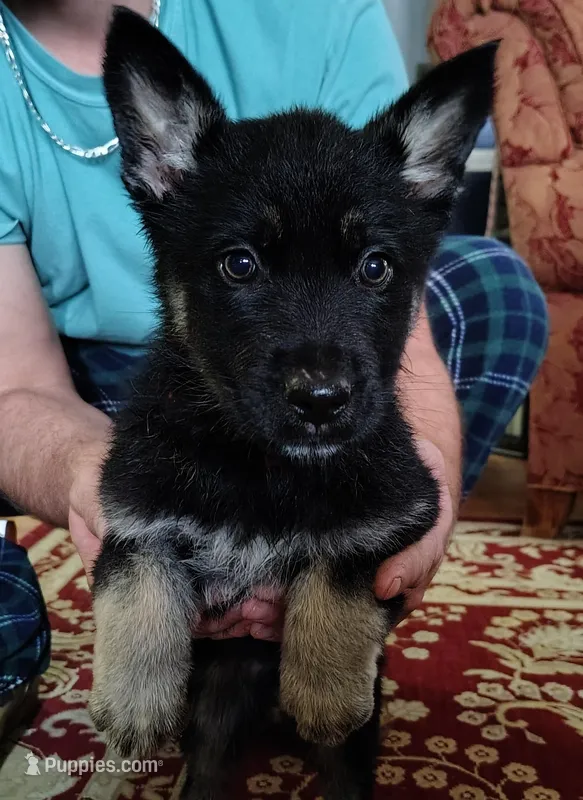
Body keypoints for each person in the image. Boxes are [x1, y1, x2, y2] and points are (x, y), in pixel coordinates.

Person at [0, 0, 548, 643]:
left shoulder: (313, 12)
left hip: (348, 360)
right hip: (110, 384)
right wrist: (112, 491)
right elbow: (16, 385)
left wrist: (411, 484)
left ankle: (323, 561)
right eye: (239, 262)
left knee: (497, 291)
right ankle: (210, 577)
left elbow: (401, 323)